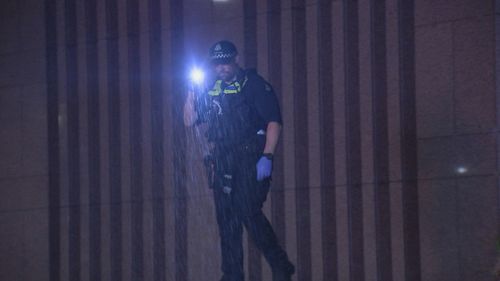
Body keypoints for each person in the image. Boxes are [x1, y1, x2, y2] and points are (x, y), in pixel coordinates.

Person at [183, 40, 295, 281]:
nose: (221, 67)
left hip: (250, 156)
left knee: (248, 211)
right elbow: (189, 120)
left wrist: (267, 156)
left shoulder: (253, 84)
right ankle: (232, 275)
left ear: (234, 60)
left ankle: (280, 264)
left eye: (226, 61)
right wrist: (192, 90)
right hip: (223, 159)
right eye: (217, 63)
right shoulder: (212, 89)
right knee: (227, 219)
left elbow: (273, 121)